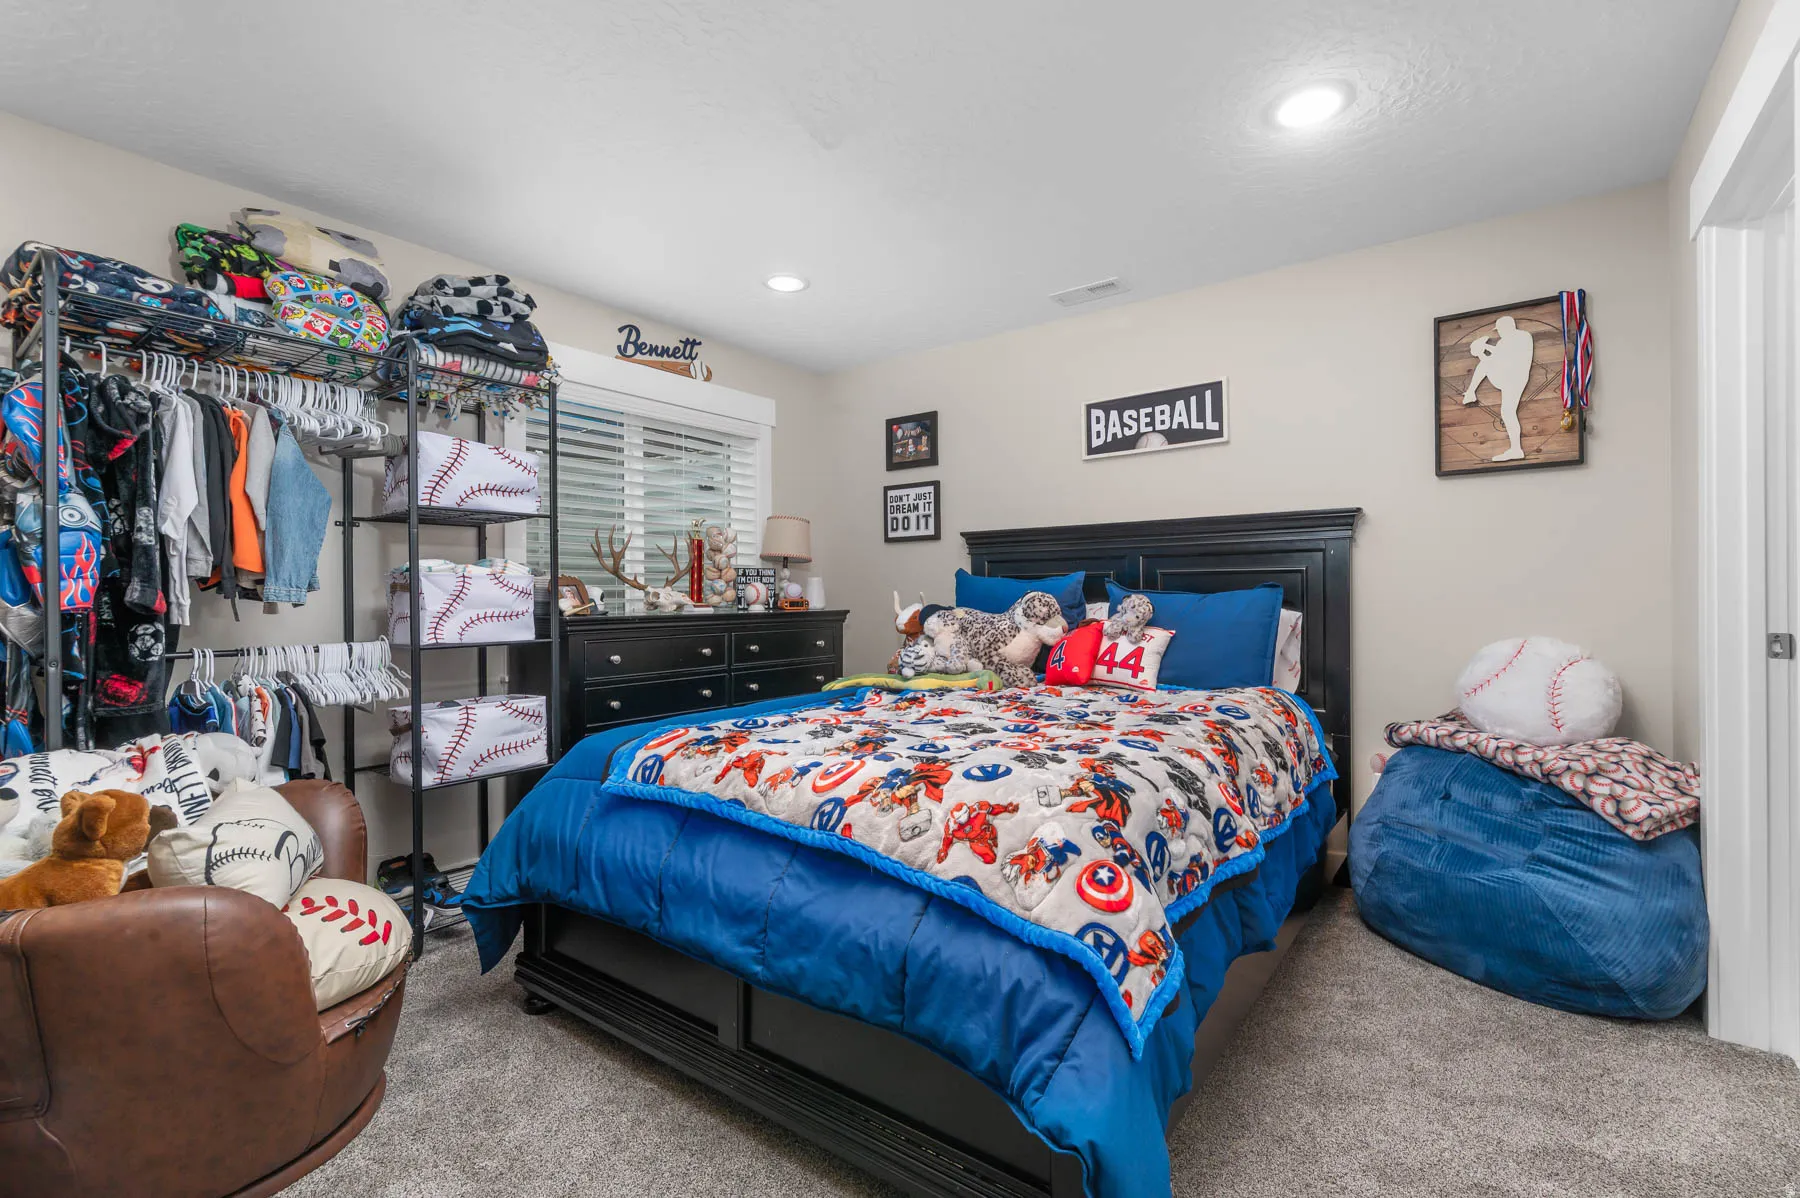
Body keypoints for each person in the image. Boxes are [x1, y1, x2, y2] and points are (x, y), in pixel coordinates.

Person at [1463, 315, 1534, 461]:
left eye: (1500, 330)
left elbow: (1506, 355)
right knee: (1507, 412)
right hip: (1508, 377)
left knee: (1507, 411)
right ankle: (1516, 449)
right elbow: (1500, 355)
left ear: (1506, 327)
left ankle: (1470, 393)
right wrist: (1482, 350)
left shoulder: (1523, 336)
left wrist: (1483, 348)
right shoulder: (1504, 341)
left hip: (1515, 377)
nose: (1499, 333)